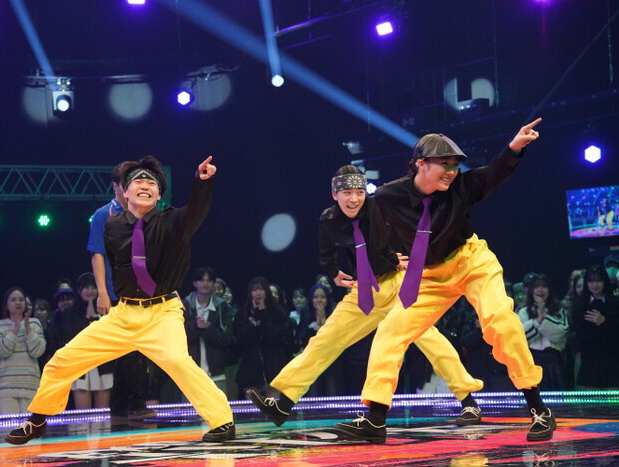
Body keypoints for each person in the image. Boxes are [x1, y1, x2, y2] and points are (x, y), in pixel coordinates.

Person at [335, 120, 555, 443]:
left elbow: (495, 172)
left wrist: (514, 148)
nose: (452, 171)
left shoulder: (463, 186)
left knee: (500, 322)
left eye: (454, 164)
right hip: (428, 274)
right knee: (391, 331)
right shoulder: (387, 196)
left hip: (471, 261)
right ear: (420, 164)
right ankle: (375, 419)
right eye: (444, 164)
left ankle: (538, 408)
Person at [5, 155, 234, 444]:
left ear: (159, 195)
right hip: (124, 313)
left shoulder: (173, 221)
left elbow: (197, 210)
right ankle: (37, 420)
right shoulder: (113, 226)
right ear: (124, 192)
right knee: (64, 358)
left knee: (178, 361)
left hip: (162, 312)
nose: (145, 185)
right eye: (138, 181)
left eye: (152, 183)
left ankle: (222, 422)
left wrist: (202, 182)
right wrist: (107, 295)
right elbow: (117, 266)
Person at [250, 165, 483, 433]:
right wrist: (333, 272)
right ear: (335, 194)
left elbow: (402, 228)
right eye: (347, 193)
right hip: (365, 289)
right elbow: (326, 251)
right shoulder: (329, 219)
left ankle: (469, 401)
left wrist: (402, 257)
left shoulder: (380, 206)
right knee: (325, 340)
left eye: (359, 192)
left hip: (398, 284)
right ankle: (283, 402)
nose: (354, 199)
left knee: (430, 341)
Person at [88, 162, 157, 421]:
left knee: (139, 350)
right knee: (128, 349)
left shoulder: (145, 212)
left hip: (144, 293)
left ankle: (124, 404)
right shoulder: (103, 215)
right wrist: (102, 293)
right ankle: (131, 403)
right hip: (117, 293)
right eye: (126, 183)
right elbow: (97, 254)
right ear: (117, 186)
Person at [234, 277, 295, 397]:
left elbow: (278, 338)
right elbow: (240, 341)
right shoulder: (242, 314)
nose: (258, 293)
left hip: (274, 369)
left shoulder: (278, 313)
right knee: (253, 408)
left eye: (261, 289)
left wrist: (263, 319)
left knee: (273, 406)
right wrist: (253, 325)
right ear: (250, 293)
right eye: (255, 290)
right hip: (250, 371)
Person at [0, 287, 46, 414]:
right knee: (9, 426)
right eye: (13, 300)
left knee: (30, 426)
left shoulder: (35, 323)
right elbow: (1, 351)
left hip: (31, 385)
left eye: (21, 300)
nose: (18, 303)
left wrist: (27, 328)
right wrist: (15, 331)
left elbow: (37, 351)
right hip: (5, 387)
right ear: (6, 304)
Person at [182, 267, 234, 396]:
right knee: (191, 409)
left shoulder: (222, 307)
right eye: (201, 280)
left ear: (213, 283)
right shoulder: (184, 306)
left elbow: (227, 339)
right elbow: (178, 338)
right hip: (190, 373)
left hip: (217, 373)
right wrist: (196, 326)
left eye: (209, 280)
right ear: (195, 283)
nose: (205, 283)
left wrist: (206, 328)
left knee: (220, 407)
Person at [517, 274, 569, 390]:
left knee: (555, 398)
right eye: (536, 287)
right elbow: (520, 337)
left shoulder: (558, 310)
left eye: (544, 286)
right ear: (531, 291)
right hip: (532, 360)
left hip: (553, 360)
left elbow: (561, 333)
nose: (540, 290)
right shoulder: (523, 312)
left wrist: (544, 316)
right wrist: (538, 321)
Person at [572, 265, 619, 389]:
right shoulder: (580, 306)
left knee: (613, 398)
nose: (595, 285)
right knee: (591, 398)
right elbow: (580, 334)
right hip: (589, 360)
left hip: (613, 359)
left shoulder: (615, 303)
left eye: (598, 280)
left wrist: (604, 322)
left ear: (605, 281)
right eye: (591, 281)